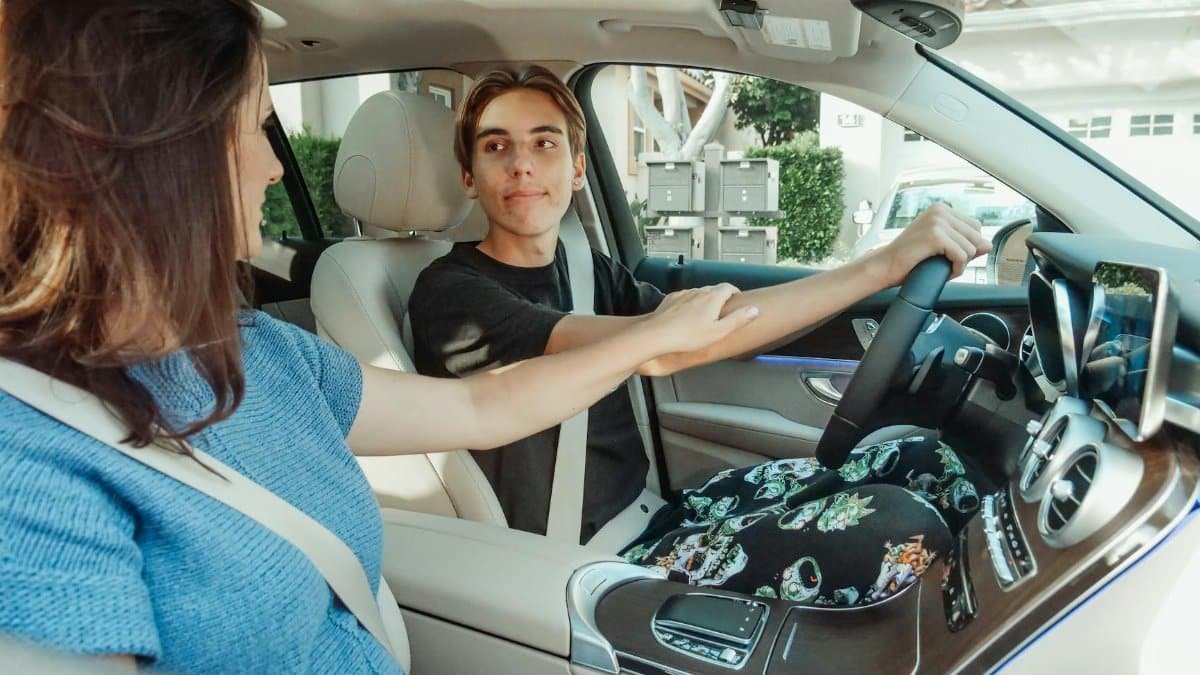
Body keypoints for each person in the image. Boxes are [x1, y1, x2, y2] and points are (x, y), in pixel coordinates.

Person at [0, 2, 758, 671]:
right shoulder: (30, 459)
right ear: (161, 153)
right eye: (253, 127)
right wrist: (655, 333)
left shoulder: (261, 347)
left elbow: (477, 409)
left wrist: (652, 333)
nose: (273, 166)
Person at [409, 65, 990, 602]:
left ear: (578, 166)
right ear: (468, 175)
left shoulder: (586, 266)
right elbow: (661, 348)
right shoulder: (452, 294)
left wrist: (874, 277)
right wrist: (880, 266)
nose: (522, 164)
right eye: (495, 146)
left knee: (925, 459)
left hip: (656, 513)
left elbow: (720, 327)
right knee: (899, 529)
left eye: (544, 142)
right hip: (591, 559)